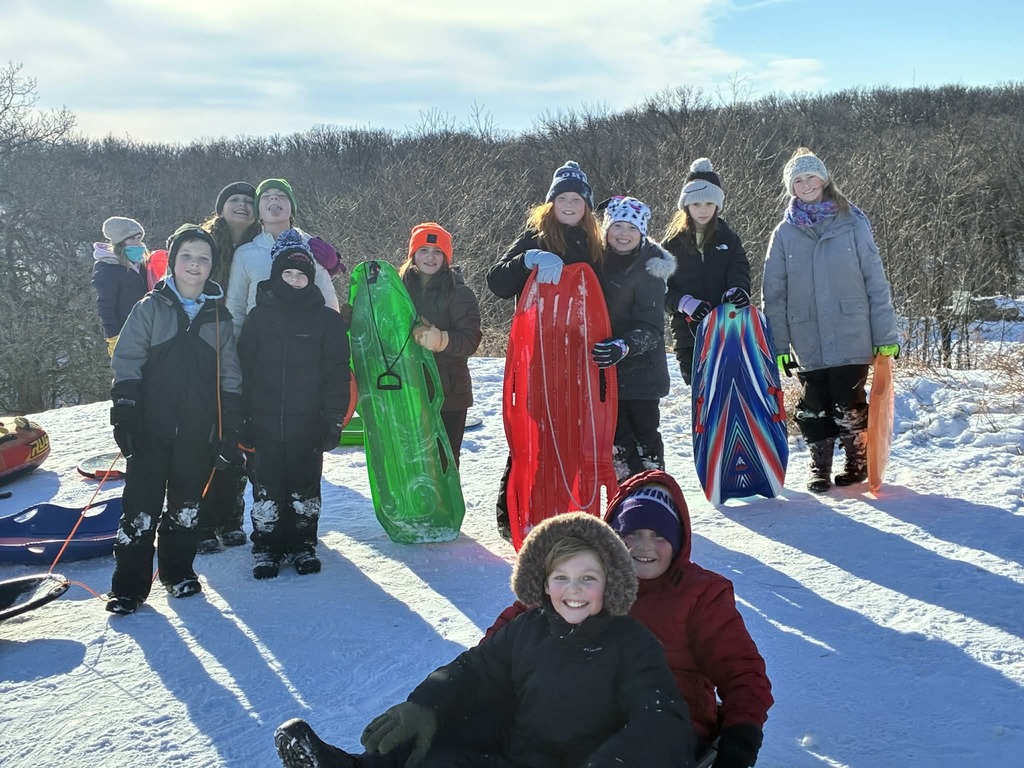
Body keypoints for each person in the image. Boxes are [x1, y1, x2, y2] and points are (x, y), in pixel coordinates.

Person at [274, 512, 696, 767]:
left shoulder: (631, 642)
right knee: (436, 740)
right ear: (544, 585)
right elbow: (474, 670)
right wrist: (425, 704)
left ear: (610, 584)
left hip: (582, 762)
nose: (574, 590)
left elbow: (660, 718)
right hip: (516, 756)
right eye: (562, 578)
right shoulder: (528, 629)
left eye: (589, 579)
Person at [484, 470, 774, 768]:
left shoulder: (700, 595)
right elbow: (509, 633)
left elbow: (742, 673)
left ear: (677, 541)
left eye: (659, 535)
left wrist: (741, 737)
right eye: (631, 534)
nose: (644, 546)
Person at [105, 224, 242, 615]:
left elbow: (230, 374)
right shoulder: (150, 307)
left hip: (198, 433)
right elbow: (127, 362)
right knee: (139, 512)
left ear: (212, 266)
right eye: (187, 257)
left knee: (186, 508)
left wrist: (230, 423)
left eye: (203, 258)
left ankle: (177, 572)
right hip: (151, 430)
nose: (194, 265)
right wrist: (125, 412)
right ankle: (129, 588)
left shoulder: (220, 317)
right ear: (173, 261)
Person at [762, 148, 900, 493]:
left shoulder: (852, 222)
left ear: (824, 180)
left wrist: (886, 334)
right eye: (798, 180)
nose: (806, 184)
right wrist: (777, 344)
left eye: (811, 177)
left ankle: (856, 461)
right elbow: (773, 292)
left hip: (852, 330)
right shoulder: (784, 233)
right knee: (813, 406)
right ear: (790, 187)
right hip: (806, 334)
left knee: (847, 401)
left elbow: (875, 280)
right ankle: (819, 466)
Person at [485, 160, 605, 539]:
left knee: (573, 432)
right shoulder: (536, 236)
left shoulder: (594, 243)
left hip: (580, 355)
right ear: (551, 203)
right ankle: (517, 510)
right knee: (534, 433)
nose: (569, 205)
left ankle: (566, 507)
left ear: (586, 205)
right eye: (562, 198)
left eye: (577, 199)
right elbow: (497, 281)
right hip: (539, 353)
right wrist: (528, 260)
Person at [237, 230, 350, 579]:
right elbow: (243, 371)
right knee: (267, 489)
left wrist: (333, 420)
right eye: (288, 273)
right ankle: (267, 546)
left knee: (305, 488)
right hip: (264, 423)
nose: (295, 280)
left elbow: (336, 373)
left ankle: (303, 544)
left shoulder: (326, 321)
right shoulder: (258, 318)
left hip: (308, 424)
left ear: (311, 278)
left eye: (302, 274)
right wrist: (241, 418)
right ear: (276, 275)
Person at [194, 181, 260, 553]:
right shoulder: (203, 242)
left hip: (248, 346)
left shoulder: (262, 244)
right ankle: (202, 517)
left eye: (248, 201)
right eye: (233, 199)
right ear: (221, 207)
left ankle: (230, 516)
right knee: (204, 427)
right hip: (205, 341)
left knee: (235, 426)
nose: (241, 205)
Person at [591, 196, 675, 481]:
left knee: (645, 439)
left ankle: (654, 490)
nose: (623, 234)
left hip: (642, 376)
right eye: (617, 226)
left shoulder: (650, 268)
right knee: (617, 443)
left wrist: (624, 345)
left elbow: (652, 328)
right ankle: (626, 497)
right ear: (606, 230)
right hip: (605, 372)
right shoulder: (597, 260)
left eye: (631, 228)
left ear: (641, 232)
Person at [663, 159, 752, 385]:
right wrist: (684, 303)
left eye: (709, 204)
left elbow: (739, 270)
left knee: (729, 389)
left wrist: (737, 290)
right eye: (696, 204)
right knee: (702, 394)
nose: (703, 210)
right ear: (686, 207)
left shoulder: (729, 239)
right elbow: (661, 290)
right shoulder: (671, 245)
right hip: (688, 336)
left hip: (728, 328)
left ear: (717, 205)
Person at [400, 222, 482, 465]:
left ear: (446, 257)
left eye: (437, 251)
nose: (430, 257)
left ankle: (448, 506)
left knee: (443, 463)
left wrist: (442, 340)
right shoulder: (398, 291)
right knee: (411, 463)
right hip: (408, 388)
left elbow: (470, 340)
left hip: (449, 393)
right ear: (413, 254)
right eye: (424, 250)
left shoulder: (460, 293)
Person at [226, 178, 340, 338]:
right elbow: (235, 309)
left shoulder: (312, 247)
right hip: (260, 348)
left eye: (281, 195)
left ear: (292, 209)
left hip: (309, 346)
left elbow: (329, 304)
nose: (273, 198)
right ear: (258, 211)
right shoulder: (245, 254)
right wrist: (233, 356)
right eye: (266, 196)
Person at [92, 216, 149, 357]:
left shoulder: (142, 264)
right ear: (120, 243)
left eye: (139, 238)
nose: (137, 243)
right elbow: (105, 306)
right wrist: (113, 337)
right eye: (132, 239)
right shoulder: (108, 268)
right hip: (126, 333)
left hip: (148, 330)